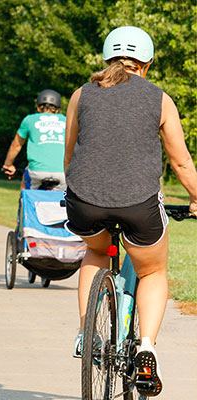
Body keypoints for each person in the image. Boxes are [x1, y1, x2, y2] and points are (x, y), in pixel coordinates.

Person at [64, 26, 197, 397]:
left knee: (94, 250)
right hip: (139, 204)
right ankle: (146, 348)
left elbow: (70, 155)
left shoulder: (80, 95)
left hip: (84, 201)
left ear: (107, 58)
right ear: (148, 64)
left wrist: (76, 190)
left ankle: (86, 334)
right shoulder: (159, 98)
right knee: (152, 269)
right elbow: (182, 163)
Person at [2, 89, 67, 190]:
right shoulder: (66, 120)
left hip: (37, 172)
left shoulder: (29, 120)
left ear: (38, 107)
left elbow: (16, 145)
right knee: (61, 200)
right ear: (57, 109)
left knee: (26, 176)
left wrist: (8, 165)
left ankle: (24, 204)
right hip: (62, 172)